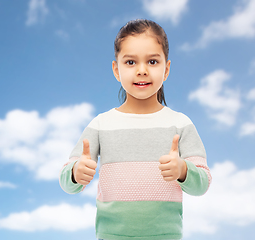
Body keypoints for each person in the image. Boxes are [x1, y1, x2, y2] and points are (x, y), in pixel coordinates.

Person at [59, 19, 211, 240]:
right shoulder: (100, 124)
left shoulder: (181, 124)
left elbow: (203, 183)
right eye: (130, 62)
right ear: (116, 69)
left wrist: (183, 170)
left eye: (152, 61)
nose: (141, 71)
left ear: (166, 69)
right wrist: (75, 174)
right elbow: (66, 180)